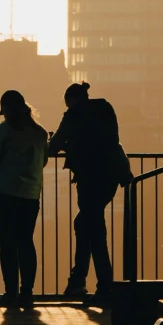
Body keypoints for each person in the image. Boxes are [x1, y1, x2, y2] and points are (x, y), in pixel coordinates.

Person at [50, 79, 127, 301]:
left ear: (71, 101)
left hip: (90, 179)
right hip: (110, 177)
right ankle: (78, 281)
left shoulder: (73, 116)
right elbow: (105, 140)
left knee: (94, 231)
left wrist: (59, 144)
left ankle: (104, 286)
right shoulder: (105, 109)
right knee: (84, 224)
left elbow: (54, 146)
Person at [0, 88, 48, 307]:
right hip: (30, 194)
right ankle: (27, 292)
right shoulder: (40, 133)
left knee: (7, 242)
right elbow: (43, 161)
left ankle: (10, 292)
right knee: (26, 242)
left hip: (3, 193)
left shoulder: (3, 132)